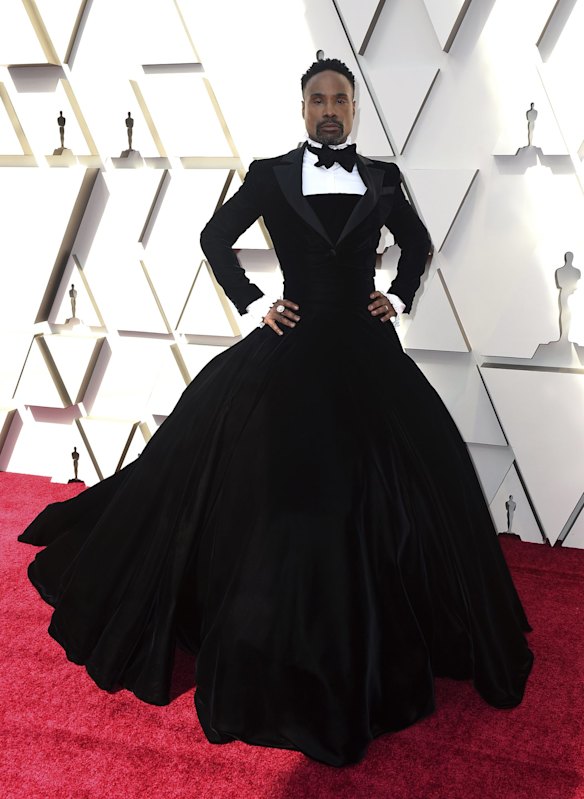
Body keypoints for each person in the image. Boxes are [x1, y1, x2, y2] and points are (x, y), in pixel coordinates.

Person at [19, 58, 533, 768]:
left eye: (340, 99)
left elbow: (416, 243)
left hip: (365, 351)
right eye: (318, 99)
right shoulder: (269, 173)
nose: (329, 109)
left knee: (403, 489)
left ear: (353, 110)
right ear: (303, 109)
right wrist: (255, 302)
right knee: (262, 492)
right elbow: (213, 237)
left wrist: (401, 295)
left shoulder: (382, 178)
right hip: (288, 348)